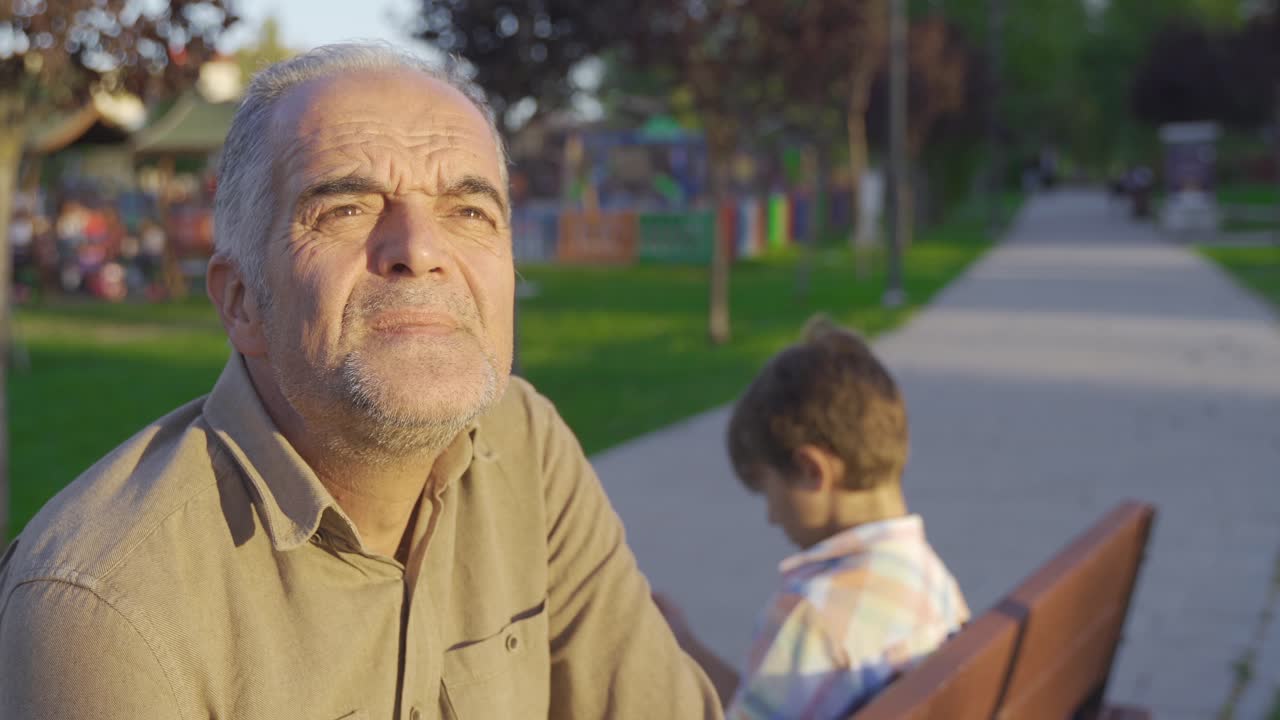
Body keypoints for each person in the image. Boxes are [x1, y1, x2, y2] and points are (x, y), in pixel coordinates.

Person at [0, 43, 721, 720]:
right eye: (345, 208)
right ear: (242, 301)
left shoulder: (525, 446)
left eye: (469, 211)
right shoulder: (108, 608)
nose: (420, 248)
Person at [656, 316, 969, 719]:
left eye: (768, 489)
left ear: (810, 470)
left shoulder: (812, 615)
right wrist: (686, 650)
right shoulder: (930, 579)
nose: (771, 516)